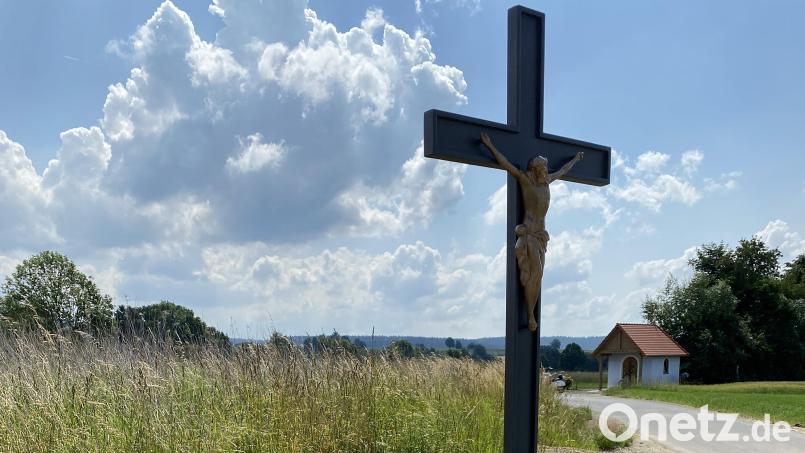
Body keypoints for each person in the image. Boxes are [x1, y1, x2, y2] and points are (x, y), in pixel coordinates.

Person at [480, 132, 583, 331]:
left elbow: (563, 170)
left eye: (546, 167)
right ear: (535, 169)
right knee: (535, 273)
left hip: (541, 237)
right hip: (529, 235)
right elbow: (506, 164)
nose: (545, 170)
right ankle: (530, 315)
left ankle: (531, 313)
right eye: (542, 168)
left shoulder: (548, 181)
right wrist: (490, 145)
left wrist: (576, 159)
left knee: (539, 275)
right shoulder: (526, 181)